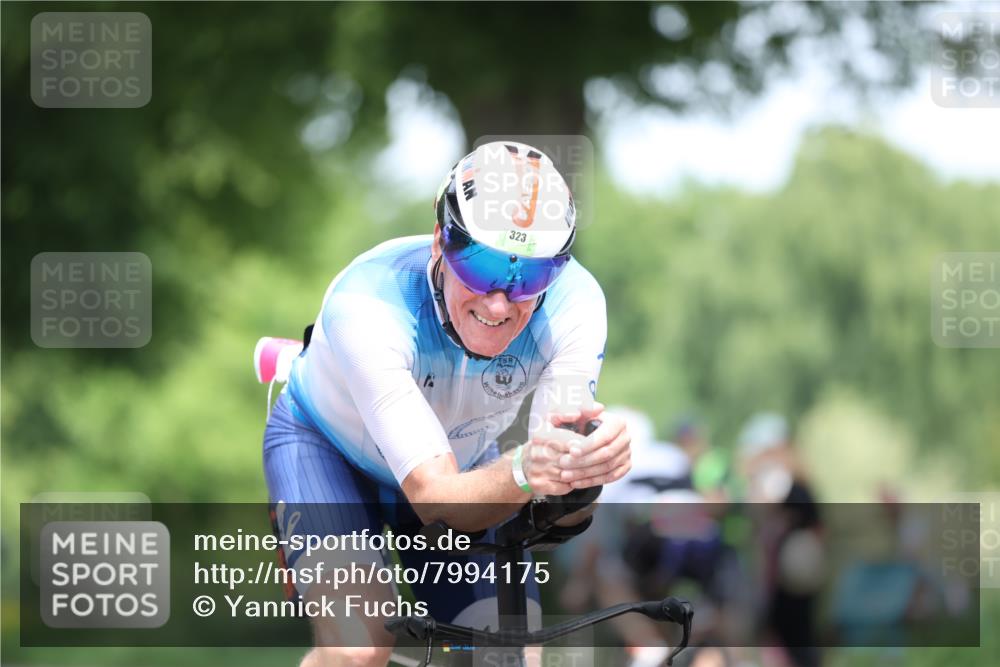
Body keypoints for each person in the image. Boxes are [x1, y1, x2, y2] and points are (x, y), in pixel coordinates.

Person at [260, 141, 631, 667]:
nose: (499, 302)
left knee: (509, 656)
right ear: (440, 242)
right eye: (480, 266)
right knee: (359, 647)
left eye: (528, 276)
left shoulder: (576, 304)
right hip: (328, 449)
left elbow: (555, 500)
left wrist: (587, 467)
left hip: (461, 462)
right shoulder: (368, 305)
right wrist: (526, 469)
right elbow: (436, 497)